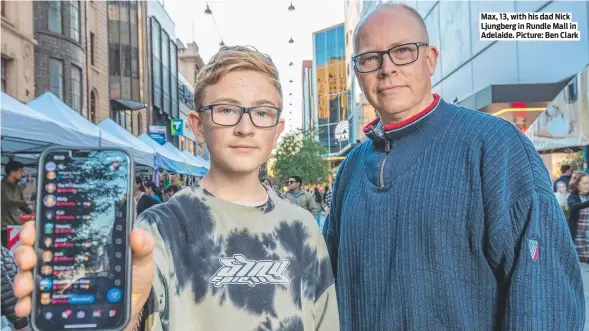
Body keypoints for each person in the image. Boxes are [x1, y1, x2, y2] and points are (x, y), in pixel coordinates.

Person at [11, 45, 338, 331]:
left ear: (277, 129)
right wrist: (127, 311)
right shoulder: (158, 229)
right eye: (226, 110)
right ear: (197, 126)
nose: (245, 127)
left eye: (262, 112)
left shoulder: (302, 227)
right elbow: (132, 317)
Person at [323, 3, 584, 330]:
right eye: (370, 57)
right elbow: (328, 284)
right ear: (358, 72)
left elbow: (546, 295)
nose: (386, 67)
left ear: (431, 58)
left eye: (403, 50)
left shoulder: (495, 145)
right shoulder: (351, 168)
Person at [1, 161, 33, 248]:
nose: (23, 174)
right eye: (21, 171)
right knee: (8, 254)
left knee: (15, 252)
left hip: (15, 226)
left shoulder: (17, 187)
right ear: (12, 173)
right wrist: (25, 202)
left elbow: (21, 205)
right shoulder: (2, 186)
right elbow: (7, 202)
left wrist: (33, 213)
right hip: (4, 227)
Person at [567, 172, 589, 262]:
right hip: (579, 237)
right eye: (585, 183)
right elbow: (574, 207)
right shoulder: (573, 197)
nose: (588, 185)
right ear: (577, 184)